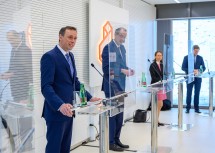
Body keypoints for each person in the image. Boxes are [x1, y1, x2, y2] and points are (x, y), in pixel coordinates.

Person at [40, 26, 100, 153]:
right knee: (54, 149)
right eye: (70, 37)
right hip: (57, 111)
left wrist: (90, 97)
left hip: (69, 110)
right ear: (60, 37)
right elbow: (46, 87)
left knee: (65, 148)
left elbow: (75, 82)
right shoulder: (49, 57)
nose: (73, 41)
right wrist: (60, 105)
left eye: (75, 38)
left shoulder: (70, 56)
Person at [102, 27, 134, 152]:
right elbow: (106, 69)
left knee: (119, 114)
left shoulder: (122, 48)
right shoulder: (108, 48)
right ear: (115, 34)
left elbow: (122, 65)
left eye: (124, 36)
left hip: (121, 85)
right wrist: (122, 70)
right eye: (121, 36)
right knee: (112, 115)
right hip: (111, 86)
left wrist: (129, 70)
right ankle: (110, 142)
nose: (123, 38)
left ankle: (117, 139)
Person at [0, 30, 33, 151]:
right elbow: (13, 68)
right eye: (8, 39)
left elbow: (27, 71)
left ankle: (27, 143)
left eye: (11, 39)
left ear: (18, 37)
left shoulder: (24, 50)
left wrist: (28, 97)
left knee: (25, 119)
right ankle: (23, 142)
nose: (9, 41)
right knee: (20, 118)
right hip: (17, 91)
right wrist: (5, 74)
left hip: (24, 91)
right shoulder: (14, 50)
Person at [182, 45, 206, 114]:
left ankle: (196, 108)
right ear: (192, 50)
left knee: (197, 93)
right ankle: (188, 108)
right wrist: (191, 70)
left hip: (198, 78)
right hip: (189, 78)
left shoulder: (200, 58)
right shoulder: (186, 57)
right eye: (195, 51)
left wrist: (198, 70)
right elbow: (183, 67)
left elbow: (203, 68)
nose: (196, 52)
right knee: (189, 93)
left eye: (198, 51)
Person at [149, 51, 166, 126]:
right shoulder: (152, 65)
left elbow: (163, 75)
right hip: (156, 86)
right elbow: (153, 77)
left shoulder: (162, 65)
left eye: (161, 55)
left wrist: (164, 80)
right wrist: (159, 81)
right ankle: (155, 121)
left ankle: (157, 120)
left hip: (161, 85)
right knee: (158, 104)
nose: (159, 57)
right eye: (158, 55)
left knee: (160, 105)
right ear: (155, 56)